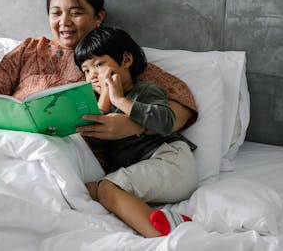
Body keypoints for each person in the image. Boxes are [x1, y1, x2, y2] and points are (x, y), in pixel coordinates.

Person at [0, 0, 198, 139]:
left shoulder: (113, 58)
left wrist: (133, 126)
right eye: (56, 13)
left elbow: (182, 103)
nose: (64, 22)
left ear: (99, 17)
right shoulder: (29, 49)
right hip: (8, 141)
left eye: (76, 13)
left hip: (67, 155)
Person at [74, 26, 198, 238]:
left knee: (106, 188)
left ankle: (167, 237)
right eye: (86, 70)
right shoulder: (98, 103)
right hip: (150, 172)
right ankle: (165, 220)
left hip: (171, 161)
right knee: (91, 189)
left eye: (99, 64)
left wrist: (120, 101)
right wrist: (105, 97)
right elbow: (97, 143)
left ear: (126, 60)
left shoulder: (146, 90)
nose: (92, 74)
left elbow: (165, 121)